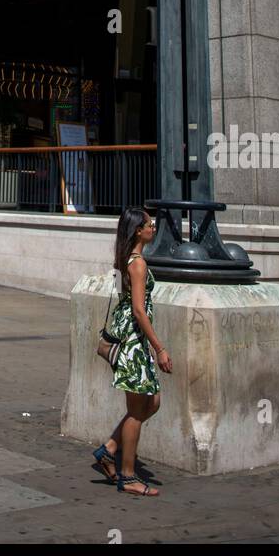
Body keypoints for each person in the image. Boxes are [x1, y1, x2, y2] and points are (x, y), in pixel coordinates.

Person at [93, 206, 172, 497]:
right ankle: (127, 476)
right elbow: (138, 310)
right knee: (138, 411)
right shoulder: (137, 263)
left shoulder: (127, 260)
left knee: (152, 403)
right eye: (149, 224)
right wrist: (160, 348)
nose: (153, 228)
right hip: (134, 344)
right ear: (138, 230)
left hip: (130, 340)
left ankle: (109, 448)